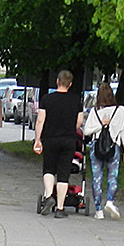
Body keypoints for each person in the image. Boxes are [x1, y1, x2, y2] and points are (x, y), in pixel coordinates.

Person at [33, 70, 84, 218]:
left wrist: (37, 139)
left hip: (50, 139)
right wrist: (71, 128)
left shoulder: (47, 99)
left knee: (49, 169)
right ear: (70, 84)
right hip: (68, 140)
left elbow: (40, 120)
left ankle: (49, 196)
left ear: (57, 81)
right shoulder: (76, 100)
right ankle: (60, 209)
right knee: (63, 173)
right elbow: (79, 122)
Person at [82, 83, 124, 219]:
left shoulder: (94, 112)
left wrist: (100, 125)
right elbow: (123, 130)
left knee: (97, 178)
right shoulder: (121, 110)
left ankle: (98, 210)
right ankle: (110, 201)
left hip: (97, 147)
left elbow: (86, 131)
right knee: (112, 177)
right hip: (114, 147)